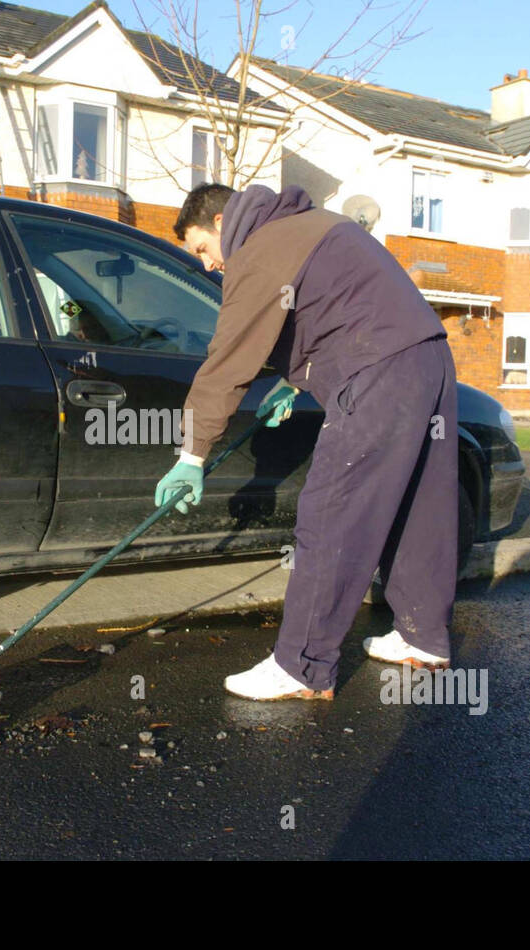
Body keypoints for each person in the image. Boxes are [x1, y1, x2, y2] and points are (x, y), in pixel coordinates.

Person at [154, 183, 458, 700]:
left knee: (331, 512)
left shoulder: (260, 246)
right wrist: (294, 380)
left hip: (376, 370)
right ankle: (423, 637)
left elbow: (227, 360)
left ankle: (302, 667)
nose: (207, 266)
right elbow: (337, 307)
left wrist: (192, 455)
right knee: (418, 505)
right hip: (428, 360)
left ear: (224, 221)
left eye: (202, 249)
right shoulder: (314, 223)